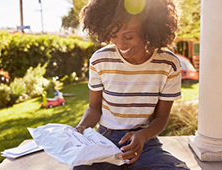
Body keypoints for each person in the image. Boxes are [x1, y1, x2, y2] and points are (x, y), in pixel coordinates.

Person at [74, 0, 189, 169]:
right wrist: (80, 129)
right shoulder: (100, 60)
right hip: (105, 139)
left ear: (149, 29)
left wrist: (143, 136)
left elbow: (162, 116)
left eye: (129, 36)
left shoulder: (168, 64)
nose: (121, 45)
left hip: (145, 140)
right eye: (113, 36)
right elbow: (94, 107)